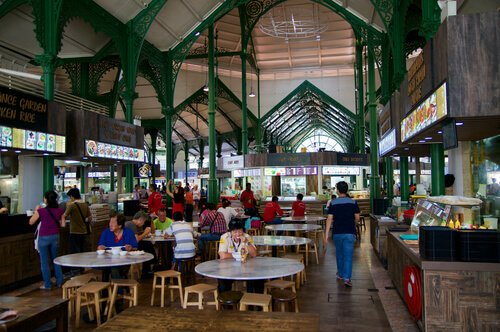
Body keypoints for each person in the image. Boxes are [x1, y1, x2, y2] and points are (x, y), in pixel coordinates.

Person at [324, 181, 360, 288]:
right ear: (347, 190)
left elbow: (329, 219)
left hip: (338, 232)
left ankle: (340, 273)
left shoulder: (333, 203)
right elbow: (357, 218)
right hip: (350, 232)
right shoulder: (353, 202)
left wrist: (326, 234)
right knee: (348, 255)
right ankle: (347, 278)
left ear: (338, 191)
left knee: (339, 254)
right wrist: (354, 223)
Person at [29, 191, 65, 289]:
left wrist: (36, 210)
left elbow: (31, 222)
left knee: (44, 262)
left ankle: (47, 284)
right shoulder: (60, 210)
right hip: (55, 237)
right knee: (56, 260)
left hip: (43, 237)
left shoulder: (41, 211)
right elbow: (63, 224)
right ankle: (59, 282)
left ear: (46, 199)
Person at [218, 220, 262, 293]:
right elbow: (222, 255)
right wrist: (238, 255)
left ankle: (251, 301)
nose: (238, 234)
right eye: (235, 232)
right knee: (222, 281)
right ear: (230, 232)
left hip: (246, 267)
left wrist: (247, 242)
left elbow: (254, 254)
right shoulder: (224, 237)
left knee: (257, 279)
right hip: (229, 268)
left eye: (240, 231)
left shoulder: (247, 237)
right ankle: (226, 302)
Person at [97, 212, 138, 280]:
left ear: (120, 225)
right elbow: (99, 247)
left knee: (114, 268)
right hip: (107, 261)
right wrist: (100, 248)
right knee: (109, 268)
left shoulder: (128, 233)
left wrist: (131, 248)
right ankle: (110, 289)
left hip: (124, 262)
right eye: (110, 222)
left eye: (113, 223)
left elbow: (135, 248)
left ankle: (118, 289)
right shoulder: (106, 232)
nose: (110, 224)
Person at [62, 188, 92, 258]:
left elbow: (64, 216)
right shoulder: (85, 204)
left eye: (70, 197)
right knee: (82, 251)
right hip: (84, 231)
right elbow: (90, 218)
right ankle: (82, 268)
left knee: (74, 252)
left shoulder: (72, 205)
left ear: (72, 196)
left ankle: (75, 268)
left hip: (74, 231)